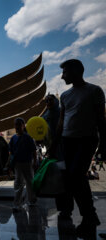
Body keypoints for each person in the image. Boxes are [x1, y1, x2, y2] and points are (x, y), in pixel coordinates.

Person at [50, 59, 105, 238]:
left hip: (86, 140)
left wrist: (103, 143)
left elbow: (100, 120)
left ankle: (90, 216)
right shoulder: (65, 96)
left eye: (64, 72)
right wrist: (54, 144)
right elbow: (61, 123)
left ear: (75, 72)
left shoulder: (94, 91)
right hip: (68, 141)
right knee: (74, 178)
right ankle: (90, 216)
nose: (62, 76)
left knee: (75, 176)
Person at [9, 118, 37, 211]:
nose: (17, 127)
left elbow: (34, 151)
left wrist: (35, 161)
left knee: (29, 182)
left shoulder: (28, 137)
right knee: (18, 183)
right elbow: (11, 152)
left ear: (23, 126)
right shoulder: (13, 138)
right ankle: (17, 204)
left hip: (27, 163)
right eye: (15, 125)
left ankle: (31, 201)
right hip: (18, 164)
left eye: (19, 125)